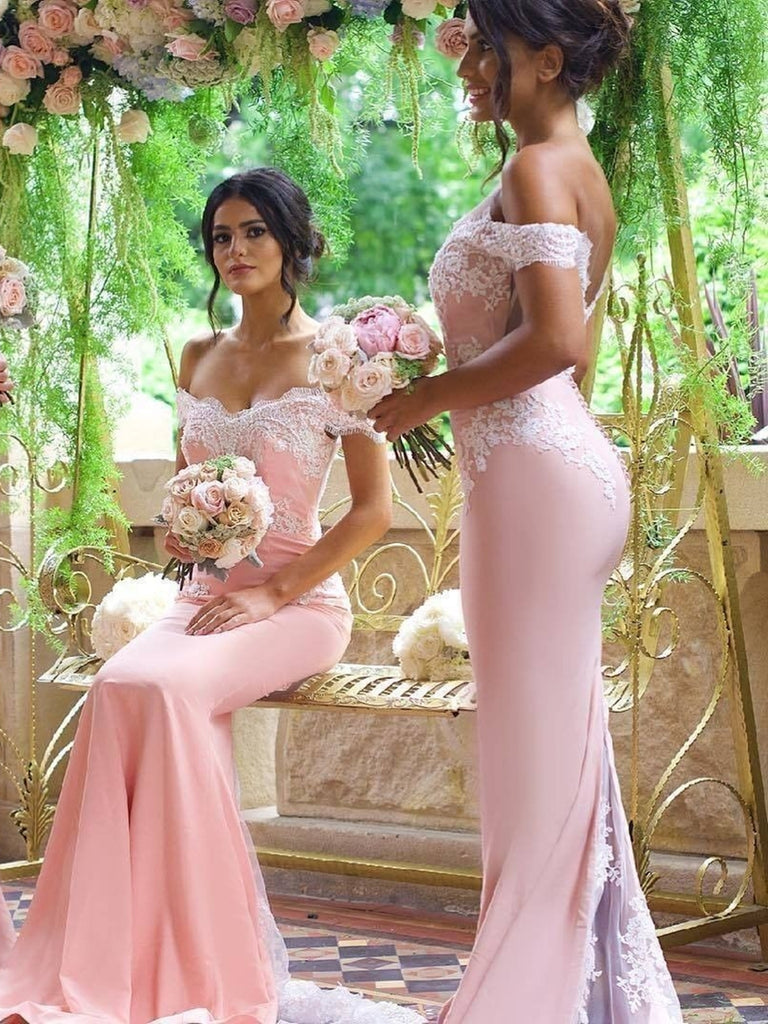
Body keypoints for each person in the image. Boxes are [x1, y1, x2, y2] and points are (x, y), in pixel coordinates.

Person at [0, 168, 424, 1024]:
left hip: (299, 607)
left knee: (162, 689)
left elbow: (373, 511)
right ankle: (112, 959)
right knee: (120, 685)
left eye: (254, 231)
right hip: (203, 599)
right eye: (222, 236)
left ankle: (206, 968)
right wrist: (193, 532)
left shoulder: (340, 359)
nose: (236, 249)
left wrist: (275, 594)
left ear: (292, 240)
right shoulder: (198, 355)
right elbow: (187, 489)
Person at [370, 3, 684, 1021]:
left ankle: (525, 1000)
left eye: (487, 51)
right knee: (548, 755)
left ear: (547, 61)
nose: (469, 67)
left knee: (530, 761)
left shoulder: (536, 169)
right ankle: (572, 995)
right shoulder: (576, 170)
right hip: (554, 473)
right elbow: (566, 354)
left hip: (534, 485)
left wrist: (425, 395)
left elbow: (555, 343)